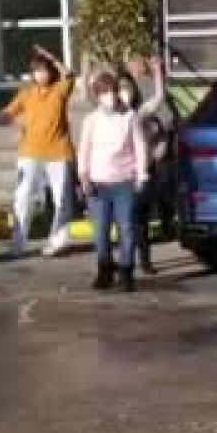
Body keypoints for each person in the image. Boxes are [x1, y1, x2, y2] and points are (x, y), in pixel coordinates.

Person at [0, 45, 78, 257]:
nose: (40, 75)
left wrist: (52, 57)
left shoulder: (60, 90)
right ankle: (18, 242)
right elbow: (9, 112)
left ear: (51, 72)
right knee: (22, 197)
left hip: (59, 153)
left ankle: (57, 242)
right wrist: (0, 120)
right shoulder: (27, 94)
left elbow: (70, 75)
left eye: (44, 70)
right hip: (30, 152)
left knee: (62, 200)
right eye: (36, 71)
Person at [78, 71, 150, 293]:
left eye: (112, 92)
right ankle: (105, 269)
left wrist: (142, 175)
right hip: (98, 182)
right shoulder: (91, 120)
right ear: (97, 96)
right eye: (104, 93)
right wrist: (83, 176)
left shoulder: (130, 117)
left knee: (126, 227)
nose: (109, 96)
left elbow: (140, 146)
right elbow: (84, 149)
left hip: (124, 181)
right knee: (100, 230)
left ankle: (127, 271)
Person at [119, 55, 175, 275]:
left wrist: (158, 73)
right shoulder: (108, 115)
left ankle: (144, 260)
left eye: (128, 90)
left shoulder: (140, 113)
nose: (125, 94)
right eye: (121, 90)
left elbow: (159, 98)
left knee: (141, 218)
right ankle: (124, 262)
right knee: (128, 220)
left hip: (143, 172)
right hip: (121, 175)